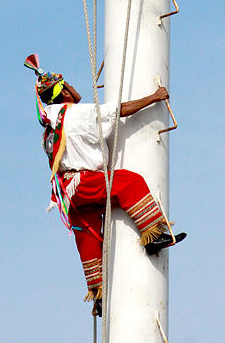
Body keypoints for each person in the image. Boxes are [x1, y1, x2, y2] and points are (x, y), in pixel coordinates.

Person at [24, 53, 185, 316]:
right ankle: (155, 235)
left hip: (67, 193)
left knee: (87, 237)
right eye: (69, 86)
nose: (74, 89)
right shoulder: (75, 114)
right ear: (62, 92)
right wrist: (154, 97)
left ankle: (99, 293)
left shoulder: (50, 127)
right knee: (128, 182)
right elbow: (118, 110)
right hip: (81, 182)